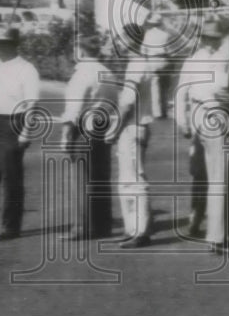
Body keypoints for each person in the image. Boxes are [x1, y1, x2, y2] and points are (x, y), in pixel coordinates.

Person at [176, 19, 229, 252]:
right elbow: (220, 91)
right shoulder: (222, 59)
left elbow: (181, 92)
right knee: (220, 179)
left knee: (202, 176)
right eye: (210, 38)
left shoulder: (192, 60)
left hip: (198, 118)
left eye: (213, 37)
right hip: (216, 115)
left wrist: (183, 121)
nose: (212, 41)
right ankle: (218, 238)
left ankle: (198, 223)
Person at [0, 26, 41, 241]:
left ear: (10, 45)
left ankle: (10, 227)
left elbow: (32, 104)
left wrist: (26, 132)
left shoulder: (27, 69)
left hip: (12, 125)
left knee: (11, 179)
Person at [60, 35, 118, 240]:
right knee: (101, 177)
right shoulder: (107, 72)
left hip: (83, 127)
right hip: (103, 126)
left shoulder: (82, 73)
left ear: (81, 51)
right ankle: (103, 225)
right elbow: (114, 102)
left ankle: (82, 227)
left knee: (82, 178)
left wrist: (66, 135)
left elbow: (74, 108)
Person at [106, 23, 158, 248]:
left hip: (133, 127)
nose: (120, 43)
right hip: (135, 126)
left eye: (122, 39)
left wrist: (114, 129)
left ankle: (140, 231)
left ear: (131, 40)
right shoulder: (138, 63)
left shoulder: (136, 65)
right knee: (128, 180)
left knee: (134, 181)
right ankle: (133, 229)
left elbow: (128, 103)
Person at [142, 11, 171, 119]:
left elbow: (143, 51)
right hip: (163, 60)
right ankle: (164, 111)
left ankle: (157, 112)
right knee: (165, 87)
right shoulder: (166, 35)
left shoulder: (148, 34)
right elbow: (170, 51)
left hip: (152, 61)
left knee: (154, 87)